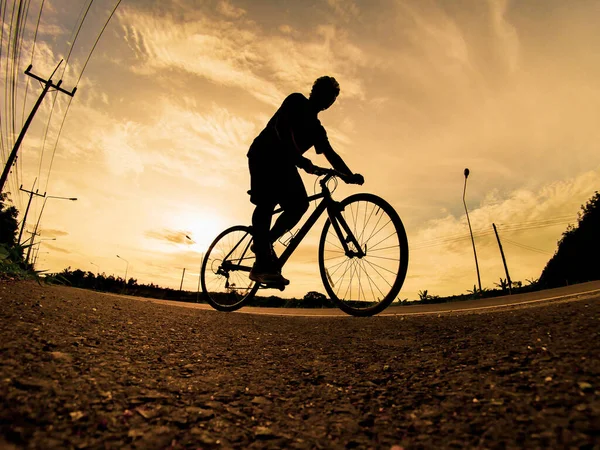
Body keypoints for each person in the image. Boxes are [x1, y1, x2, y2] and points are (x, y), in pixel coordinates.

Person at [247, 76, 364, 285]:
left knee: (300, 204)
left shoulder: (317, 130)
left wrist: (348, 175)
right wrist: (300, 160)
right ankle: (262, 261)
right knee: (267, 202)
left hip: (285, 163)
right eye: (326, 94)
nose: (328, 101)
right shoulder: (296, 101)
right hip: (263, 155)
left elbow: (330, 154)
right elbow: (281, 129)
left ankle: (263, 243)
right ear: (314, 91)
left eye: (332, 99)